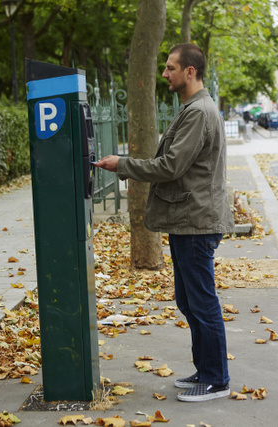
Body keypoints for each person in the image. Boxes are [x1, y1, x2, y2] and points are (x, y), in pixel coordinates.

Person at [94, 43, 234, 402]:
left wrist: (122, 164)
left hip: (195, 221)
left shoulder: (199, 112)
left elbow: (171, 166)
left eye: (171, 68)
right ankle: (206, 371)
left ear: (190, 72)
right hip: (189, 218)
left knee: (202, 303)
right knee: (189, 301)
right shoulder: (193, 109)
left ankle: (217, 380)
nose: (165, 74)